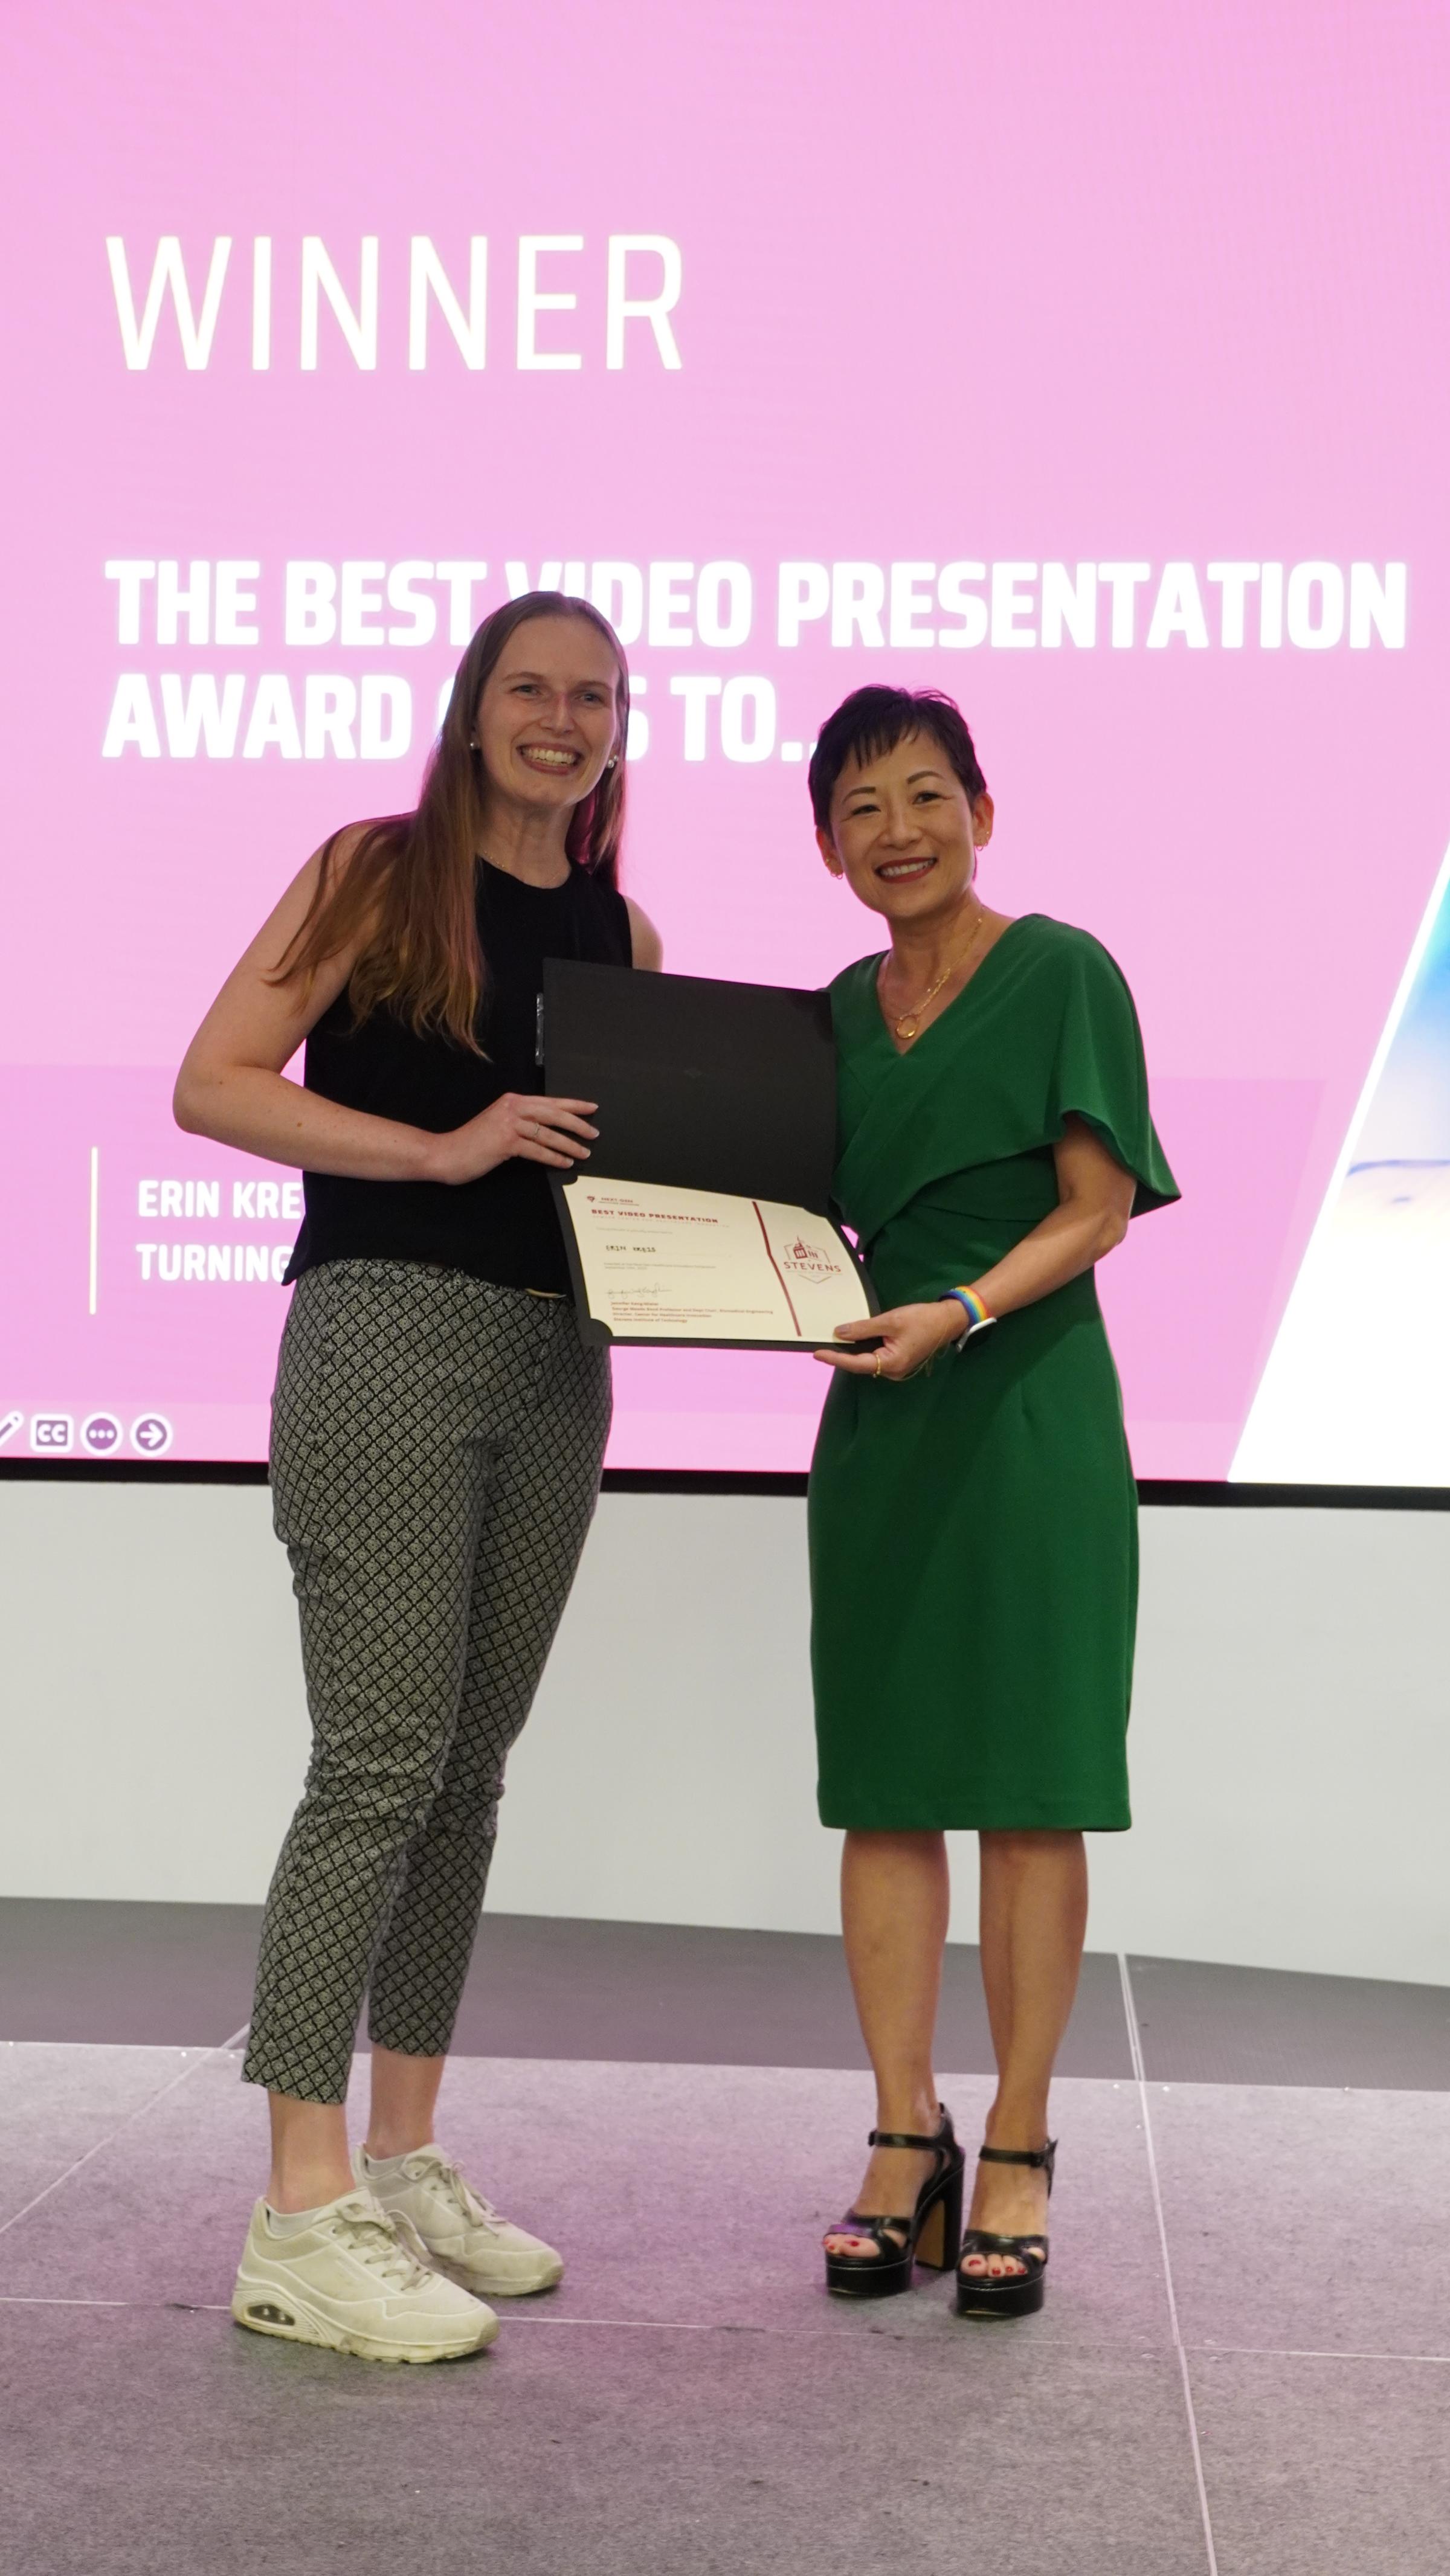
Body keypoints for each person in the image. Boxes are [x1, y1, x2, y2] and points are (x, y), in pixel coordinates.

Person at [174, 591, 662, 2365]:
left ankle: (400, 2155)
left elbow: (651, 1177)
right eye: (529, 688)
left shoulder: (622, 927)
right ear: (471, 712)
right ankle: (299, 2212)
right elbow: (213, 1083)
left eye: (592, 695)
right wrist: (439, 1148)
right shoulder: (371, 870)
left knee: (467, 1771)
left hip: (560, 1359)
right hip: (385, 1325)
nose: (561, 718)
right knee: (379, 1760)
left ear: (621, 725)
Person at [805, 685, 1178, 2319]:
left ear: (984, 807)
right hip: (879, 1423)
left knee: (1031, 1785)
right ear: (828, 845)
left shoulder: (1064, 971)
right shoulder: (820, 1013)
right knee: (887, 1784)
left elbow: (1097, 1211)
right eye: (864, 806)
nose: (901, 829)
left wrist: (958, 1311)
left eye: (927, 793)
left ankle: (1017, 2143)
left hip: (1026, 1409)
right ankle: (908, 2133)